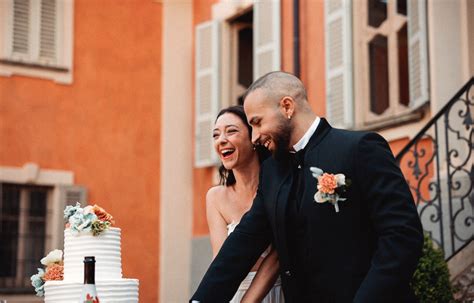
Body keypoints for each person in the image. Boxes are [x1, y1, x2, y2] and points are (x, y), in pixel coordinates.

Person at [191, 71, 424, 303]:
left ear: (287, 107)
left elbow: (402, 236)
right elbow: (243, 242)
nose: (254, 137)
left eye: (258, 122)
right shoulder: (272, 172)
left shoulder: (359, 149)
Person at [207, 105, 284, 303]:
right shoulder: (215, 197)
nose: (221, 140)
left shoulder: (279, 187)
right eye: (216, 135)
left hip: (282, 292)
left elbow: (280, 254)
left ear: (253, 139)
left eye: (231, 131)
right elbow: (222, 261)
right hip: (236, 295)